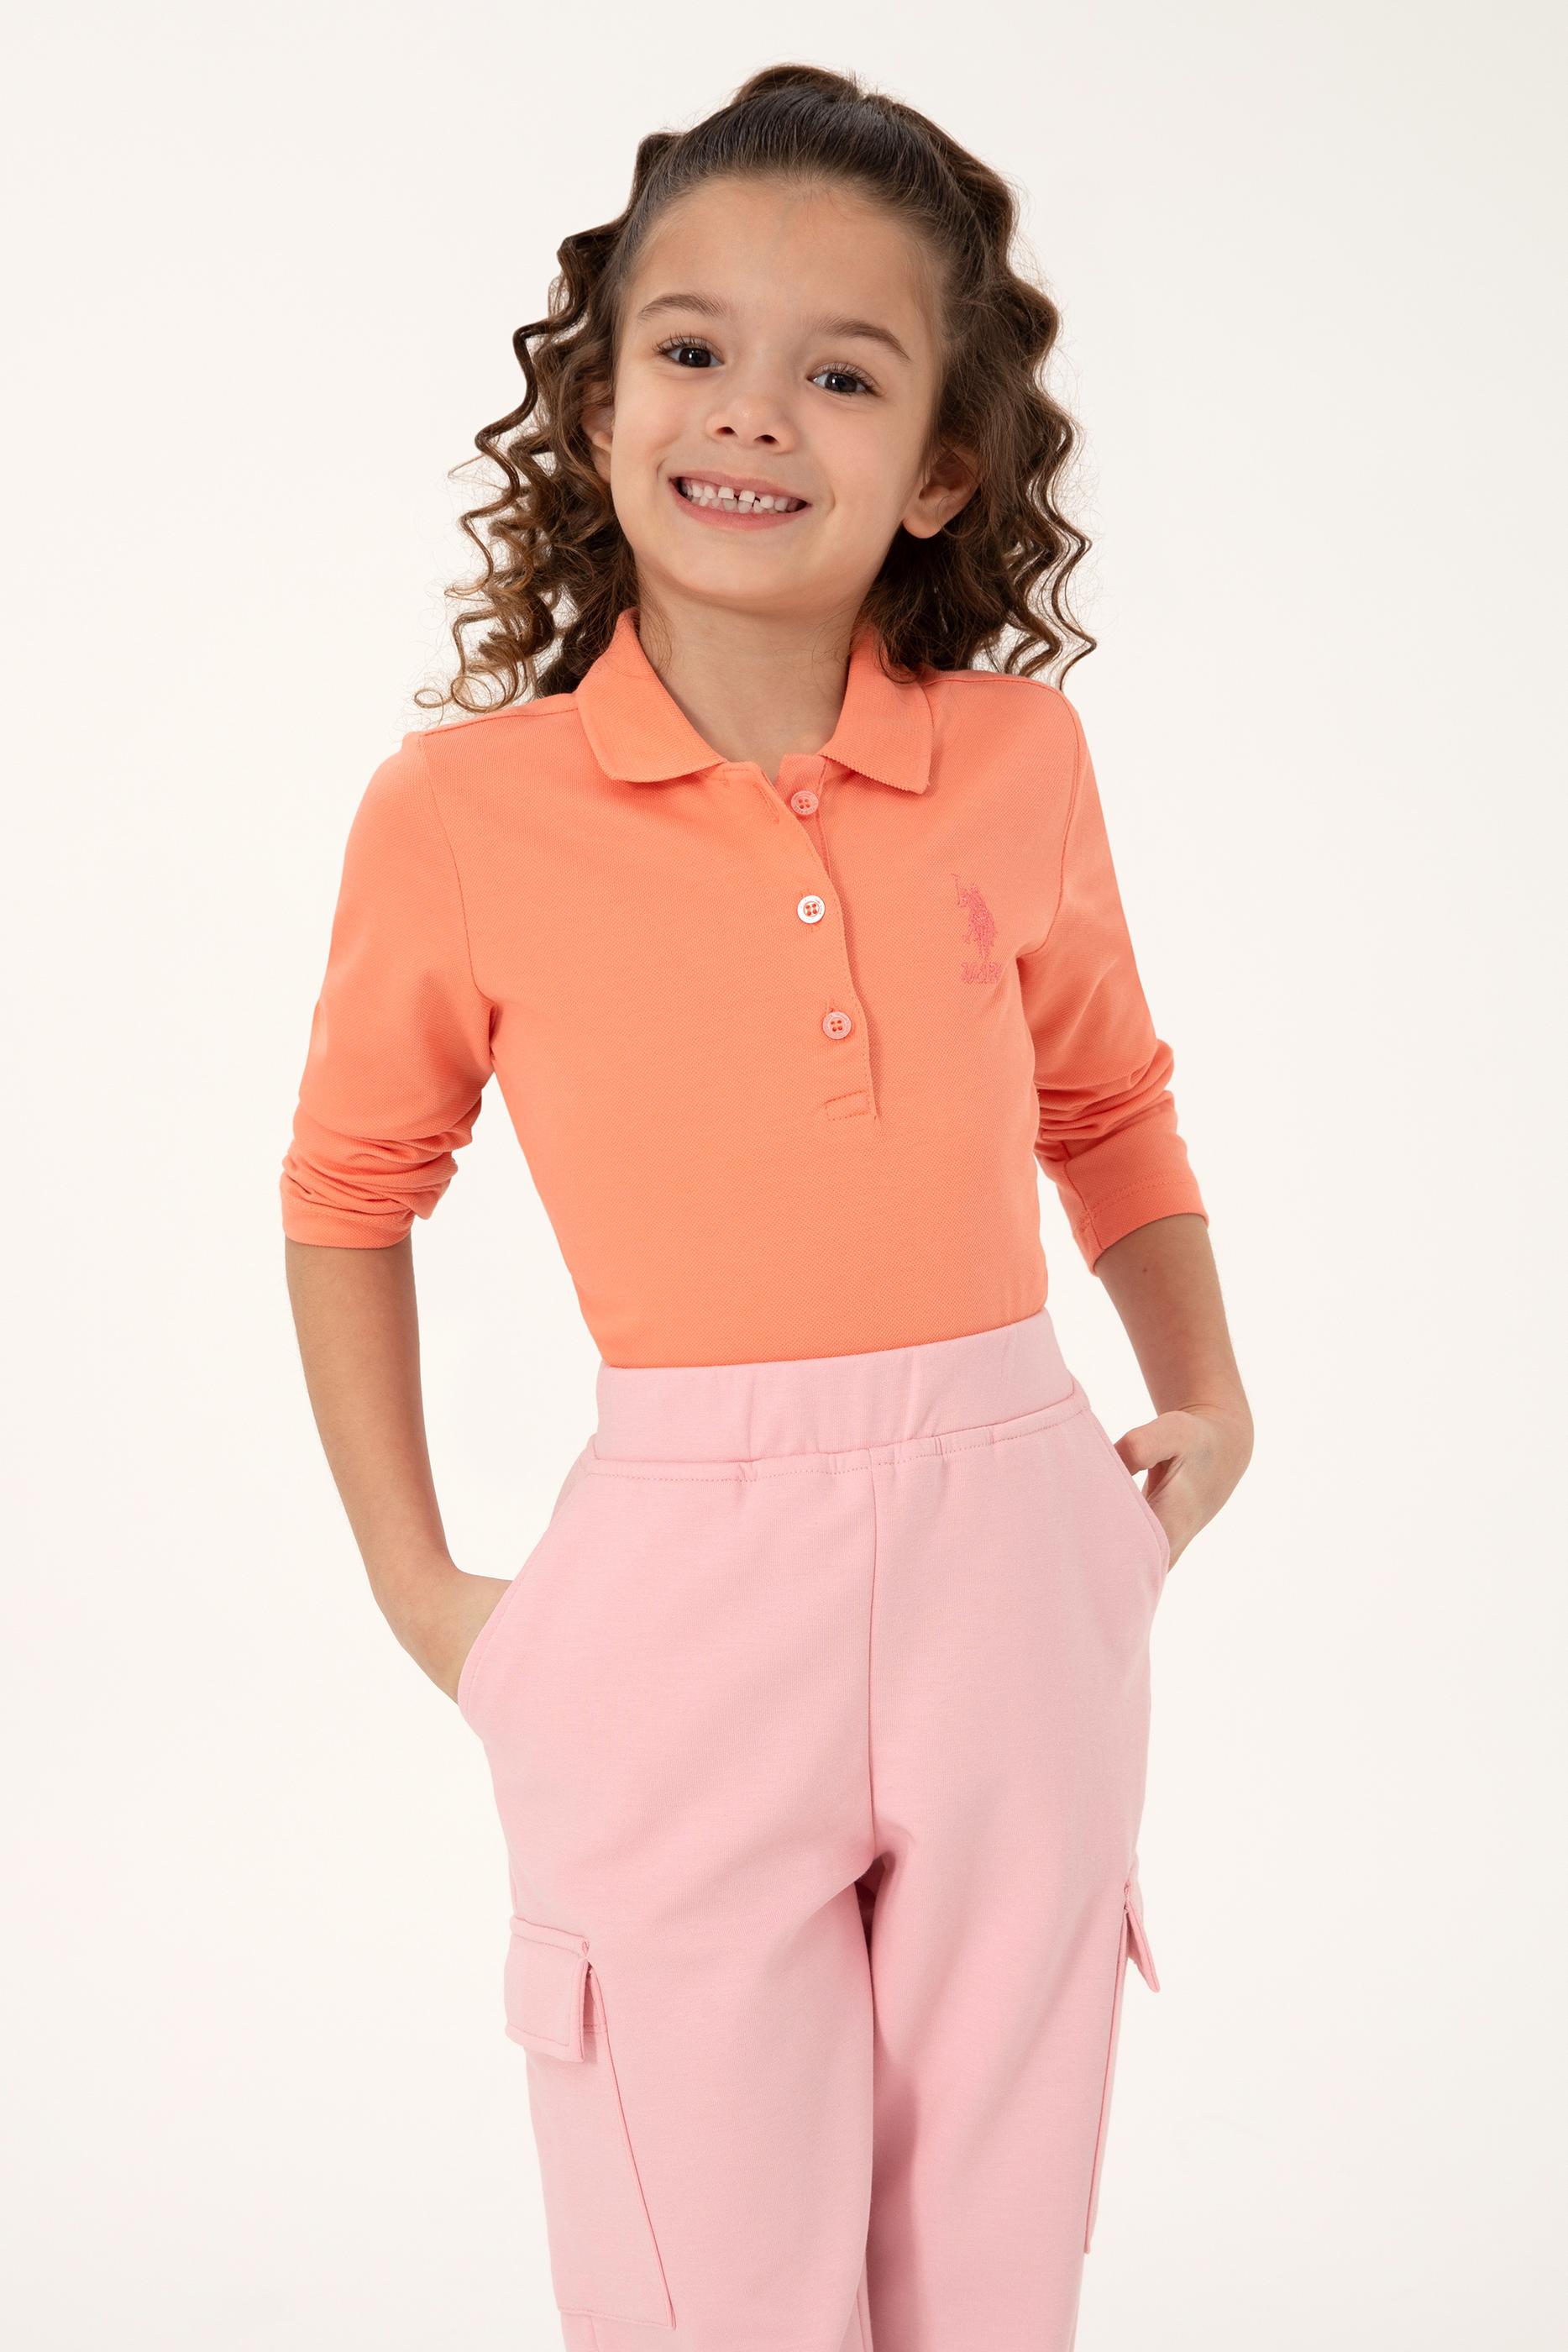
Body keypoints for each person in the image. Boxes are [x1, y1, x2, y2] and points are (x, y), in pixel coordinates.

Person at [279, 61, 1253, 2352]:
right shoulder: (463, 813)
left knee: (988, 2268)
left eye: (842, 373)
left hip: (1022, 1557)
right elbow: (347, 1190)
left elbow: (1107, 1100)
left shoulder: (1017, 760)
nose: (750, 411)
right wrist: (427, 1594)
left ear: (941, 469)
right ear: (600, 399)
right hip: (678, 1598)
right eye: (694, 346)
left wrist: (1208, 1404)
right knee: (705, 2278)